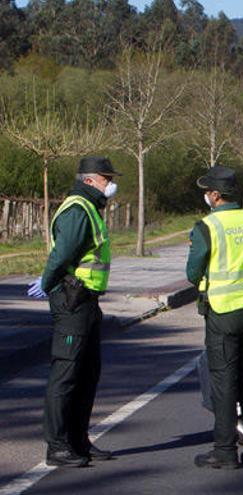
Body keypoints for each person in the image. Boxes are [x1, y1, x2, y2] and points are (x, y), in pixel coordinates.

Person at [27, 157, 120, 467]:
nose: (111, 185)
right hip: (72, 301)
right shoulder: (78, 209)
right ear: (90, 180)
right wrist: (46, 282)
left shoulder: (89, 207)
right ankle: (57, 445)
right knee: (66, 374)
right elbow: (63, 253)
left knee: (87, 373)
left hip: (87, 301)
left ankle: (79, 440)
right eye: (107, 179)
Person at [186, 166, 243, 469]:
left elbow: (191, 272)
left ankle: (225, 451)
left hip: (223, 312)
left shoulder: (207, 227)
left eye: (207, 192)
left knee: (223, 382)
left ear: (215, 195)